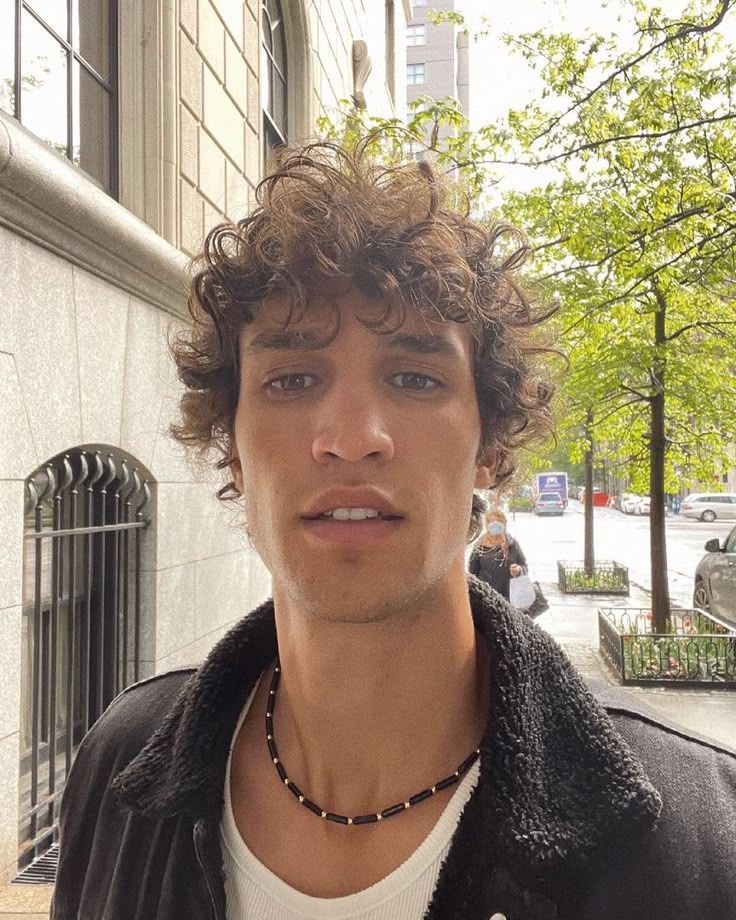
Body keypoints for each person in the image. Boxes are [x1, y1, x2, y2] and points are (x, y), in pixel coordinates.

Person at [51, 140, 736, 920]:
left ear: (490, 449)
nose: (350, 435)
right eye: (292, 378)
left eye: (415, 377)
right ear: (232, 447)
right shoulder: (117, 768)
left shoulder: (697, 838)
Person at [468, 510, 527, 601]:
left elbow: (524, 566)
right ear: (487, 525)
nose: (495, 524)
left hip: (509, 596)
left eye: (499, 521)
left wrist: (519, 570)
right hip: (485, 597)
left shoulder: (512, 544)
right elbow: (472, 572)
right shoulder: (480, 546)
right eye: (492, 521)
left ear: (504, 524)